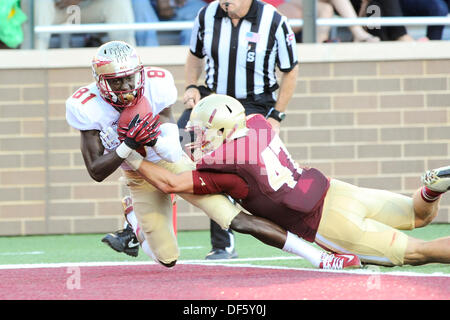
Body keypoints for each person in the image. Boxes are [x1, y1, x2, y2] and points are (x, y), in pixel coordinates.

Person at [67, 40, 360, 270]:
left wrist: (152, 137)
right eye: (118, 82)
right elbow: (96, 171)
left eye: (131, 78)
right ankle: (136, 219)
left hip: (172, 163)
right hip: (139, 174)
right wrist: (128, 144)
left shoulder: (156, 84)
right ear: (101, 81)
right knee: (166, 259)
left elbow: (171, 139)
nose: (128, 88)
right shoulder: (87, 105)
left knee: (233, 217)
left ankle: (319, 258)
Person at [135, 94, 450, 267]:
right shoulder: (257, 124)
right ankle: (431, 189)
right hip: (337, 191)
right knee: (416, 212)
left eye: (202, 132)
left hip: (326, 222)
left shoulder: (227, 165)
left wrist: (133, 158)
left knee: (417, 252)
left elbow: (171, 185)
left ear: (222, 129)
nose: (198, 140)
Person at [179, 0, 299, 259]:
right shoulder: (207, 15)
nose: (224, 2)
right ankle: (138, 228)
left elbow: (290, 71)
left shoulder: (273, 20)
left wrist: (277, 115)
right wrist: (191, 85)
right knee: (174, 145)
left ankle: (295, 224)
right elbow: (194, 55)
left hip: (253, 104)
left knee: (249, 173)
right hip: (212, 100)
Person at [34, 0, 136, 49]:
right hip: (56, 8)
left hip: (86, 7)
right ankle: (37, 58)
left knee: (118, 2)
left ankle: (127, 57)